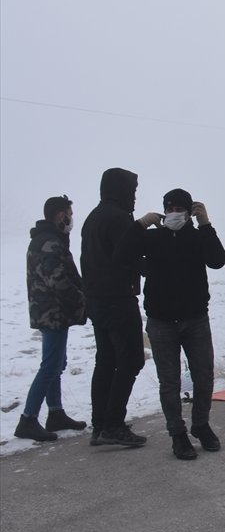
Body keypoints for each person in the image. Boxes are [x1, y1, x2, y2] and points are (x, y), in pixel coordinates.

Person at [116, 189, 225, 460]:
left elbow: (218, 260)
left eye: (180, 208)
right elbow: (120, 255)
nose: (175, 212)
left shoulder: (198, 237)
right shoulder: (152, 237)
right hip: (161, 322)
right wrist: (139, 224)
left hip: (196, 320)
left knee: (204, 377)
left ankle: (200, 425)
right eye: (170, 207)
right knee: (169, 382)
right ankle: (177, 434)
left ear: (190, 212)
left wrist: (206, 224)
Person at [81, 167, 151, 448]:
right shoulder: (120, 219)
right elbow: (129, 258)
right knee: (131, 359)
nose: (134, 196)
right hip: (118, 300)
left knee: (106, 360)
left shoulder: (93, 217)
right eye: (131, 190)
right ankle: (112, 424)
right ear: (120, 190)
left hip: (96, 300)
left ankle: (100, 425)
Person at [14, 196, 89, 442]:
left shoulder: (49, 239)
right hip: (51, 314)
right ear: (59, 215)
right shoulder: (48, 243)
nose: (70, 218)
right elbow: (58, 281)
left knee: (56, 364)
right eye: (69, 213)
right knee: (50, 366)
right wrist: (81, 300)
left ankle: (55, 413)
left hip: (52, 313)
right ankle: (28, 419)